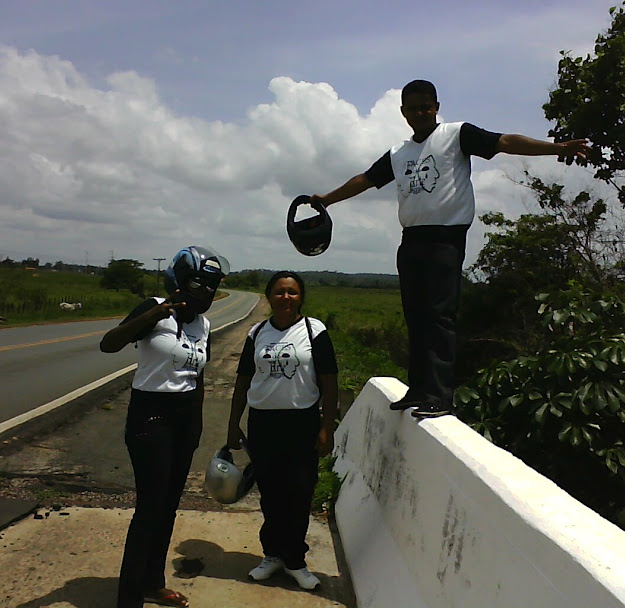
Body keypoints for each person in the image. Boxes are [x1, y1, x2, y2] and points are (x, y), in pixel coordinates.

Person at [311, 79, 590, 418]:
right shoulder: (399, 153)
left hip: (446, 238)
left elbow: (504, 142)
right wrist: (327, 200)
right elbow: (366, 179)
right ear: (404, 113)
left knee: (439, 316)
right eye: (413, 108)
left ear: (436, 107)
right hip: (411, 240)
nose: (420, 112)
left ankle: (440, 396)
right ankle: (418, 390)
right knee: (416, 318)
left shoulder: (457, 135)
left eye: (425, 106)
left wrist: (557, 148)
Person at [100, 245, 229, 608]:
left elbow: (197, 376)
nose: (206, 293)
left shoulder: (203, 324)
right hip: (150, 414)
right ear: (181, 280)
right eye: (201, 284)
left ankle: (152, 581)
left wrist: (197, 425)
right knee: (151, 507)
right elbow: (109, 344)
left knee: (169, 506)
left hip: (184, 418)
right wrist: (154, 314)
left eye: (212, 287)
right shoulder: (154, 307)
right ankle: (129, 597)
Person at [226, 271, 338, 590]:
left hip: (301, 424)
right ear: (269, 296)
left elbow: (329, 383)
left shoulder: (314, 331)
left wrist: (326, 427)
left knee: (299, 493)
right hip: (263, 424)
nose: (285, 298)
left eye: (291, 292)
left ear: (301, 297)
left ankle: (296, 561)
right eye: (278, 292)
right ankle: (272, 555)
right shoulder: (256, 332)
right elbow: (244, 381)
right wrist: (234, 423)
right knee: (271, 494)